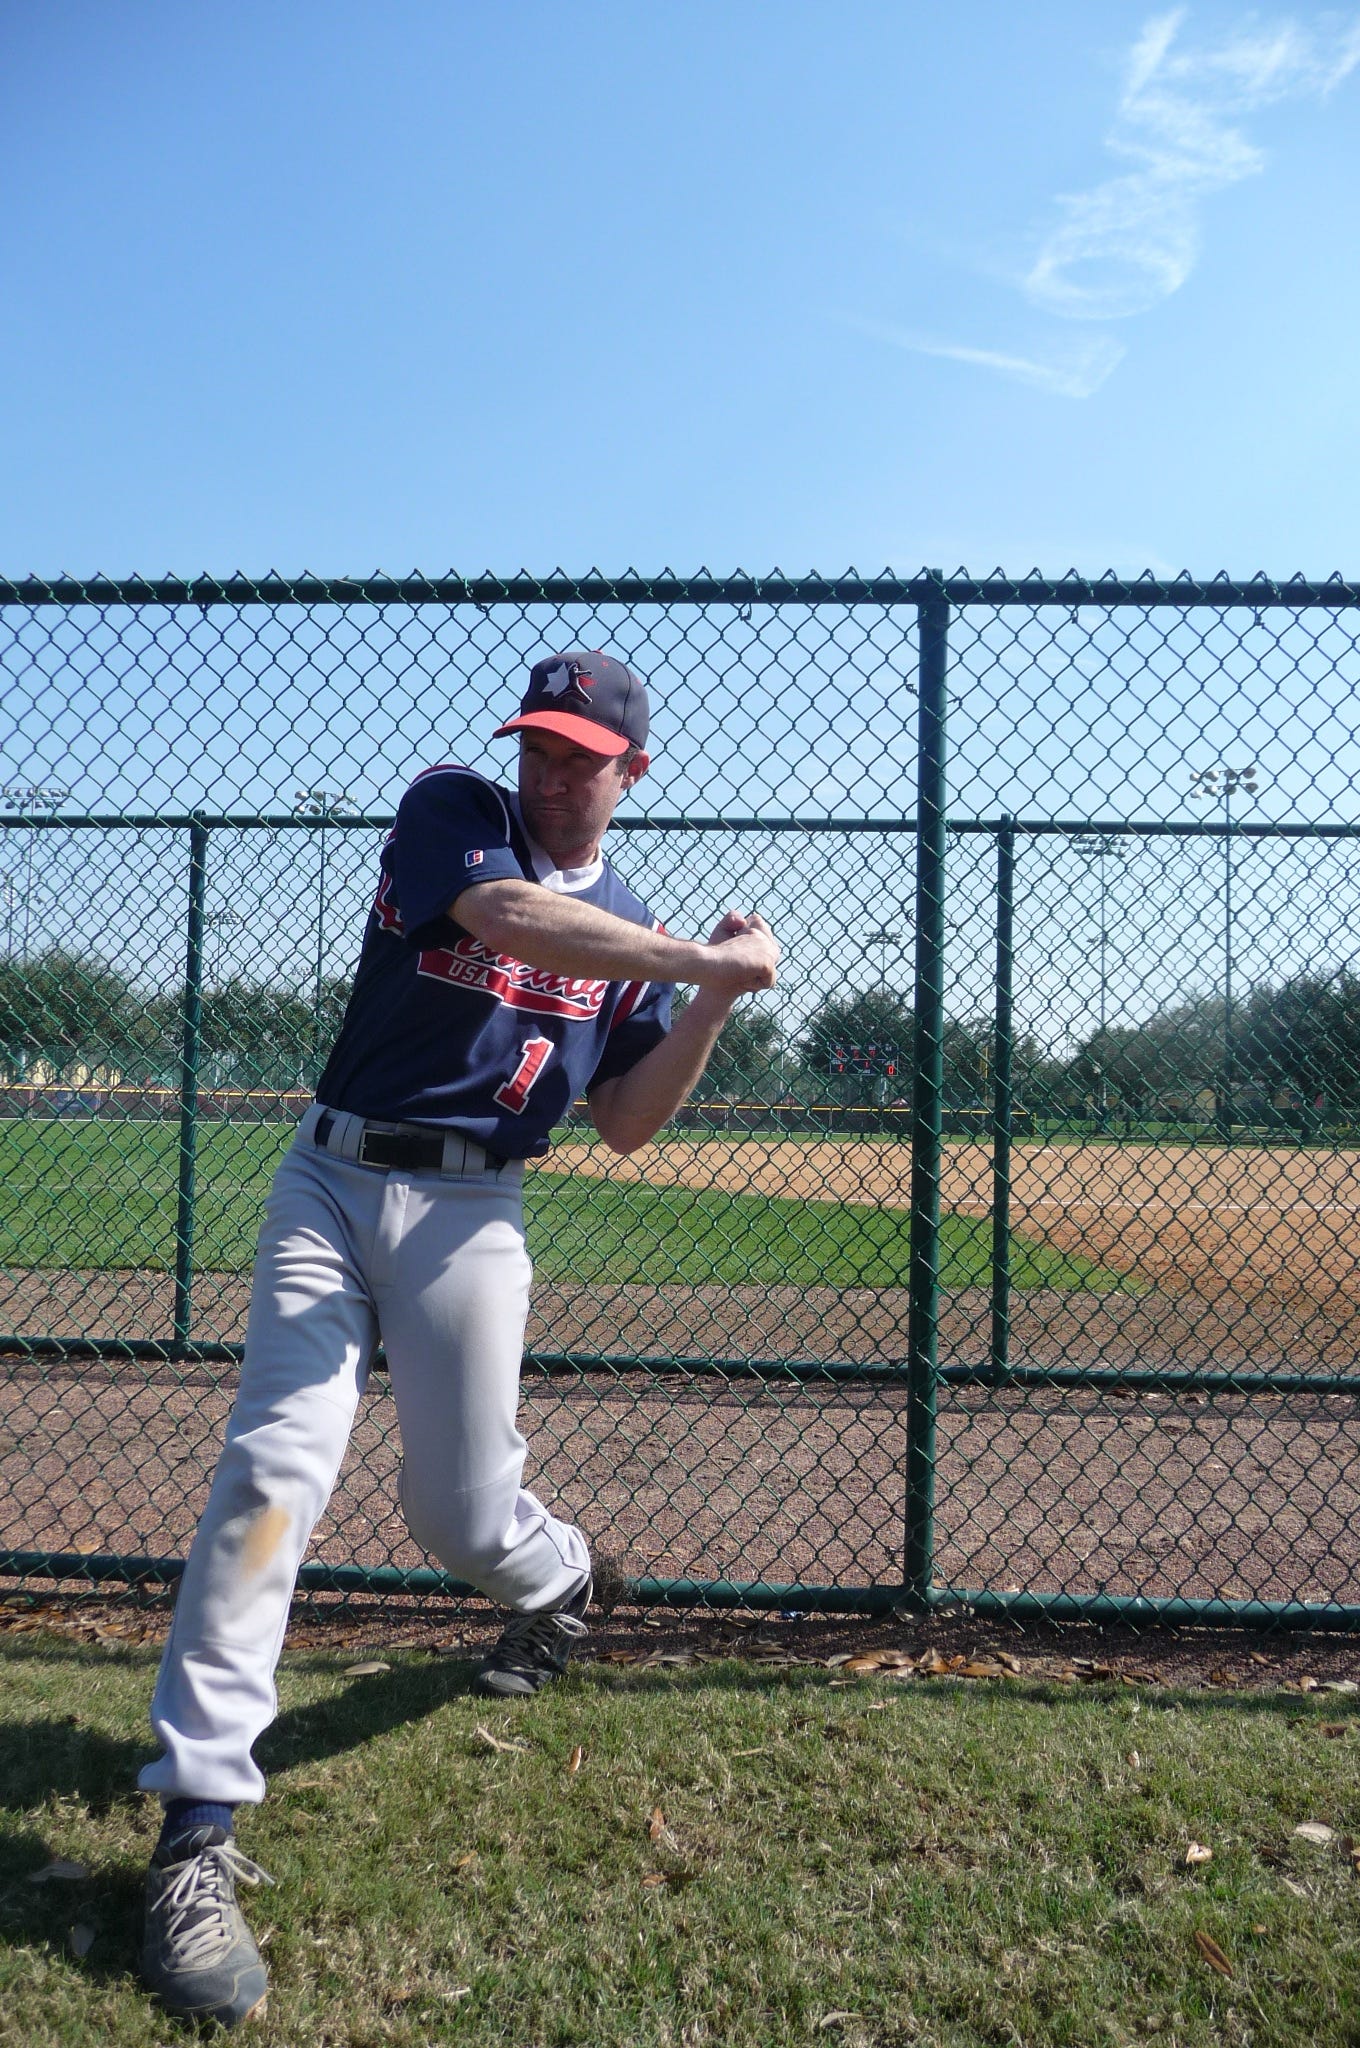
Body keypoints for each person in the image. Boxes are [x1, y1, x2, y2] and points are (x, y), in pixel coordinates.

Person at [136, 649, 780, 2027]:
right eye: (536, 748)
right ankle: (195, 1825)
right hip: (332, 1180)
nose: (549, 774)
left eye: (579, 757)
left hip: (474, 1212)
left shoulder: (640, 929)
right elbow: (510, 919)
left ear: (632, 774)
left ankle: (557, 1585)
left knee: (463, 1516)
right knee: (274, 1468)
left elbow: (626, 1120)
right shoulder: (455, 811)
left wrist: (714, 996)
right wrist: (701, 957)